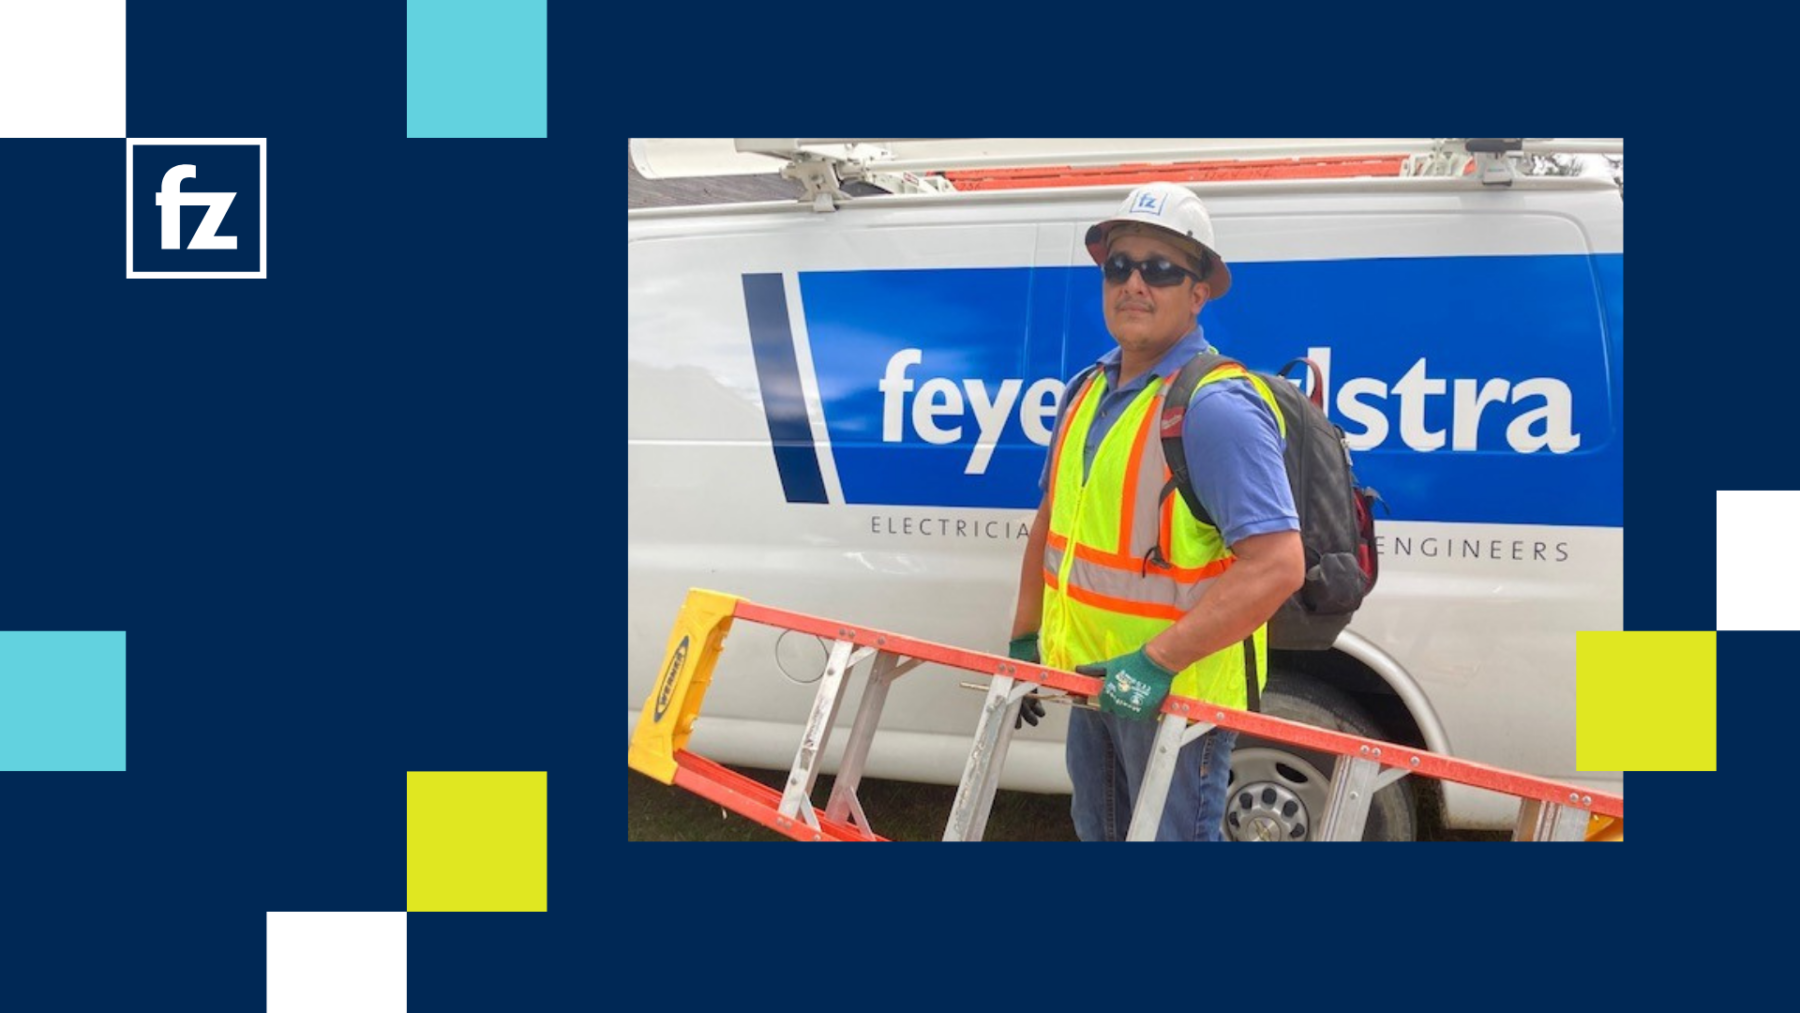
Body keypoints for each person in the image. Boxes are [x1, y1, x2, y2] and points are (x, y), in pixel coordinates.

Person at [1009, 182, 1304, 842]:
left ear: (1199, 292)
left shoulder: (1216, 406)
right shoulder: (1085, 391)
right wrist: (1026, 639)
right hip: (1091, 684)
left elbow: (1278, 566)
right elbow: (1052, 521)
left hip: (1174, 697)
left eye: (1161, 268)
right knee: (1102, 834)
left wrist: (1155, 662)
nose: (1135, 283)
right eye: (1120, 265)